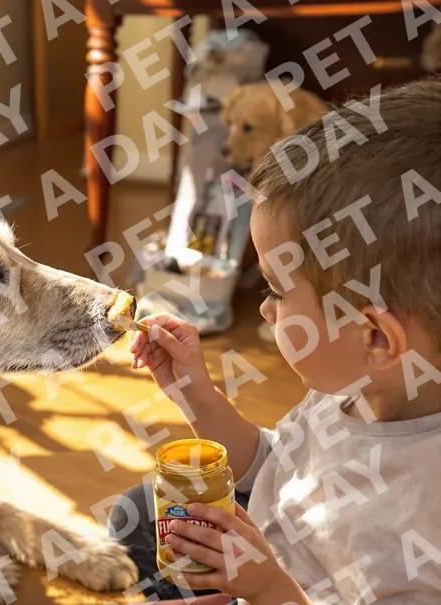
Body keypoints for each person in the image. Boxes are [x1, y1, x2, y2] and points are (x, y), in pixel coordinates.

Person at [109, 79, 441, 604]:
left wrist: (267, 590)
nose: (265, 308)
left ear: (375, 336)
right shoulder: (352, 387)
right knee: (138, 515)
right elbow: (271, 466)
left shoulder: (418, 522)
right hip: (268, 560)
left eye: (277, 291)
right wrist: (193, 390)